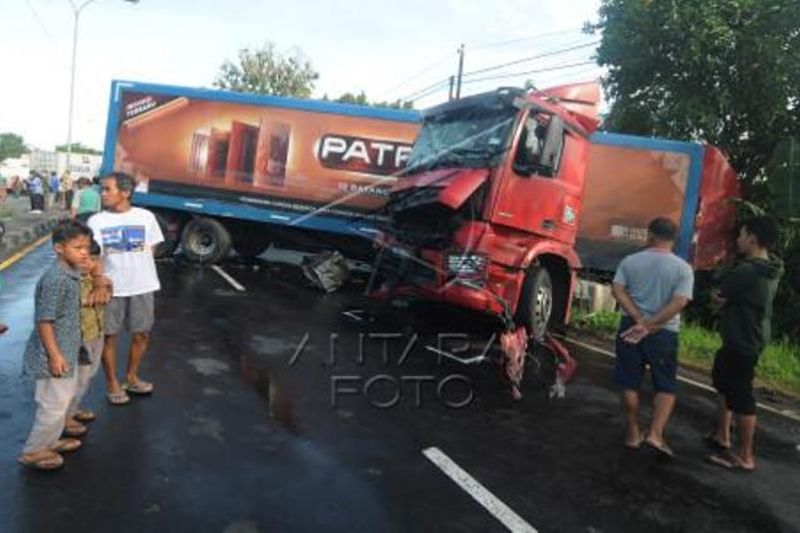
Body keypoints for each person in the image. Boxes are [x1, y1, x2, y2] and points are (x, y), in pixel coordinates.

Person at [611, 217, 694, 457]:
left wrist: (639, 319)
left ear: (650, 235)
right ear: (673, 239)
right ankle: (656, 434)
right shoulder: (683, 268)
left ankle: (633, 433)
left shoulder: (630, 261)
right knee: (665, 385)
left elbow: (617, 290)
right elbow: (680, 302)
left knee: (628, 382)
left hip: (630, 327)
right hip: (664, 332)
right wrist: (651, 324)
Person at [706, 216, 783, 472]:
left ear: (753, 238)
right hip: (748, 335)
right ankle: (722, 435)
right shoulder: (771, 266)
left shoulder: (749, 270)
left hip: (743, 339)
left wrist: (721, 299)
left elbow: (718, 297)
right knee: (724, 382)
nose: (737, 240)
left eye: (741, 235)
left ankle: (745, 456)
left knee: (740, 394)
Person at [18, 219, 92, 471]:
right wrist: (54, 355)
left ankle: (50, 440)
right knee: (53, 404)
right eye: (78, 247)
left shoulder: (70, 273)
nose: (84, 252)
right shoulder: (56, 279)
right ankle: (34, 451)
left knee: (61, 400)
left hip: (66, 350)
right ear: (59, 248)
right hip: (55, 353)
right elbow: (44, 320)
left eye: (87, 247)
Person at [88, 172, 164, 405]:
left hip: (143, 286)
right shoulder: (97, 221)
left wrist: (136, 265)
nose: (102, 194)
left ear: (126, 192)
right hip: (111, 289)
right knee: (109, 336)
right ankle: (112, 382)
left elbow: (153, 246)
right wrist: (98, 280)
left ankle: (131, 377)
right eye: (102, 189)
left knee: (142, 333)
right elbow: (94, 256)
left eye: (107, 189)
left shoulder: (146, 217)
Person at [64, 239, 112, 436]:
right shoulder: (66, 281)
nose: (87, 263)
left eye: (93, 259)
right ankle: (66, 417)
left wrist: (104, 286)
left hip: (96, 334)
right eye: (83, 258)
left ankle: (72, 409)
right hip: (79, 340)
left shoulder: (98, 279)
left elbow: (108, 293)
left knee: (89, 375)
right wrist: (88, 298)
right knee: (77, 379)